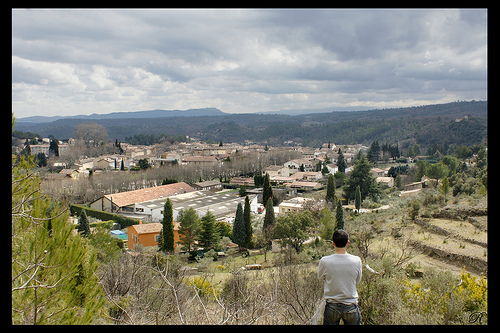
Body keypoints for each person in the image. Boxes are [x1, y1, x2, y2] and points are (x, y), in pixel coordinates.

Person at [317, 229, 362, 325]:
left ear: (333, 243)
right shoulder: (357, 260)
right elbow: (357, 281)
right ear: (348, 243)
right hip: (351, 305)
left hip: (332, 305)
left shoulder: (324, 261)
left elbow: (320, 278)